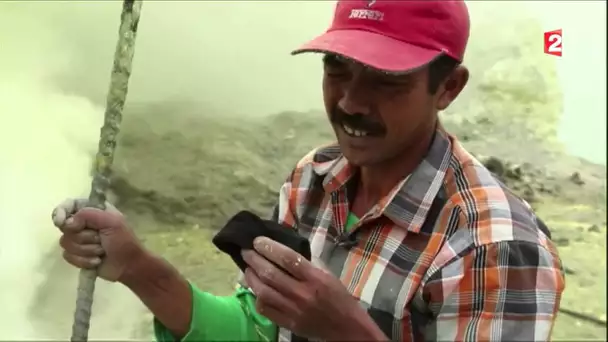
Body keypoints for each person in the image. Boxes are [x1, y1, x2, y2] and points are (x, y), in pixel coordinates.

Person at [51, 1, 566, 341]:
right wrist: (138, 266)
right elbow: (258, 330)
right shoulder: (314, 182)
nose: (349, 102)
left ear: (448, 88)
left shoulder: (494, 248)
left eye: (387, 81)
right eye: (335, 69)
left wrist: (349, 334)